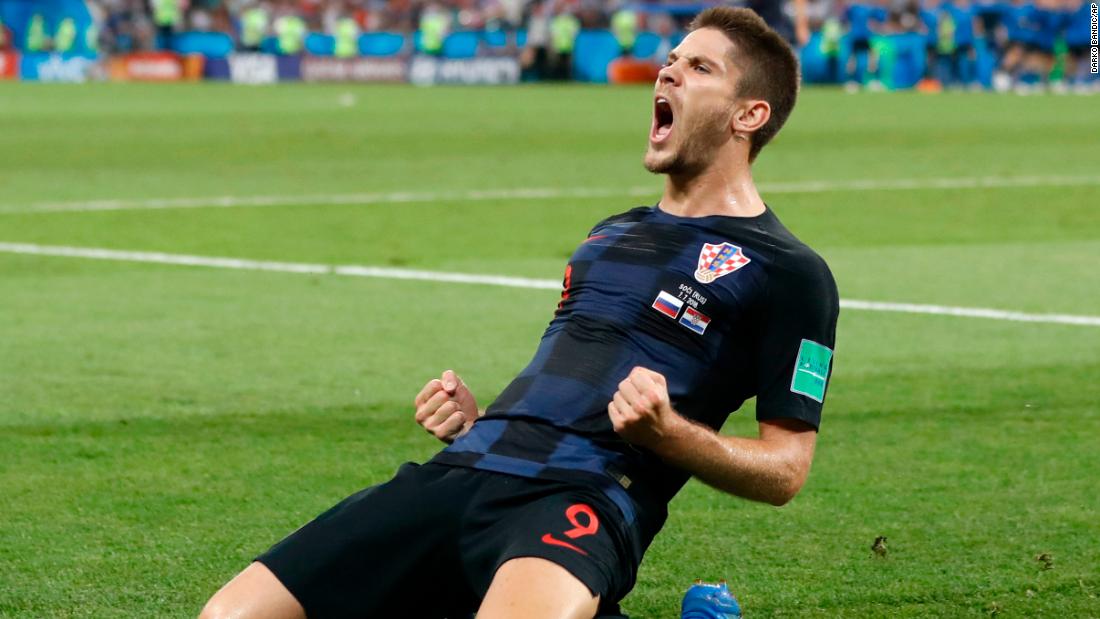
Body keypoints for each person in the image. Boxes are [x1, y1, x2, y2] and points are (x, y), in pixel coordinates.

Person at [200, 6, 838, 619]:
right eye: (671, 60)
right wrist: (480, 420)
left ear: (749, 114)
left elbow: (785, 470)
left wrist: (671, 435)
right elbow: (571, 367)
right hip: (462, 468)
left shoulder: (790, 273)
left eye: (700, 68)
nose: (667, 71)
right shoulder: (608, 234)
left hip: (583, 494)